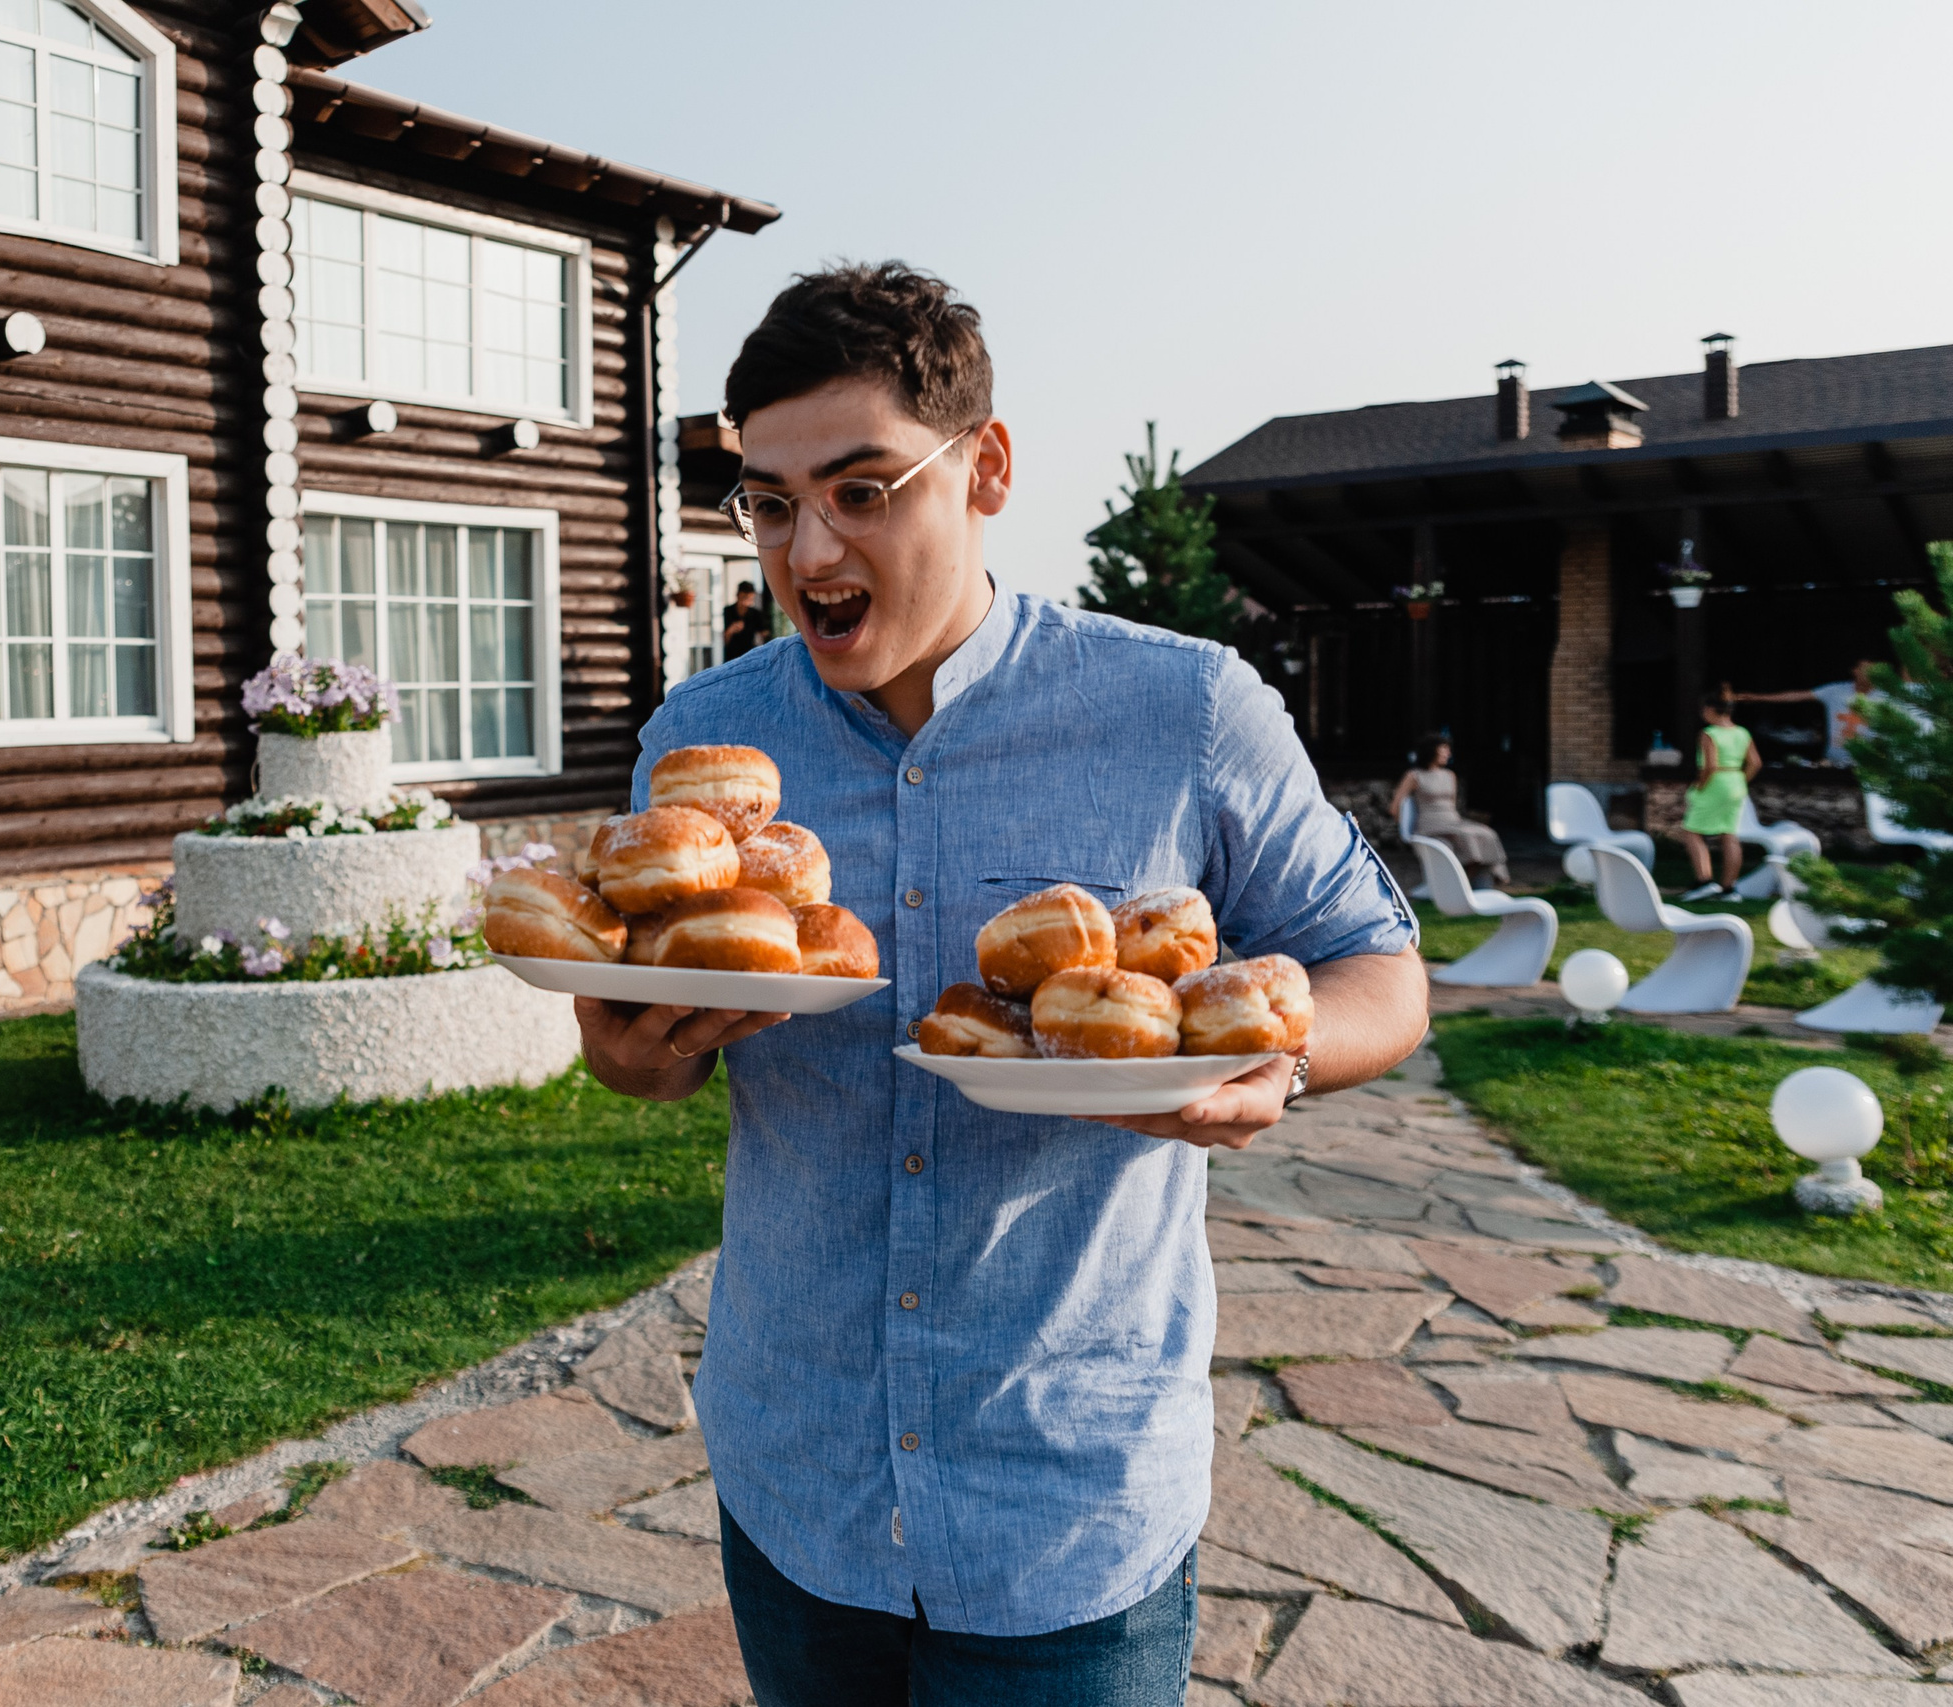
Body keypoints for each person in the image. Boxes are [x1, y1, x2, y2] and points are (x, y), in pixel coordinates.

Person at [572, 263, 1430, 1704]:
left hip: (1067, 1488)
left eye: (860, 488)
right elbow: (641, 1033)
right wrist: (633, 1054)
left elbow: (1383, 970)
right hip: (801, 1472)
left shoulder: (1185, 708)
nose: (808, 547)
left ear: (988, 468)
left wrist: (1274, 1065)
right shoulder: (706, 745)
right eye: (770, 503)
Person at [1676, 694, 1763, 900]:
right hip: (1736, 781)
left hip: (1716, 783)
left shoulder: (1709, 734)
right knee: (1729, 834)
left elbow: (1710, 766)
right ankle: (1728, 889)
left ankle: (1704, 881)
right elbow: (1755, 763)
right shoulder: (1742, 732)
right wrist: (1741, 779)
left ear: (1710, 710)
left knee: (1691, 831)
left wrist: (1699, 785)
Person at [1390, 738, 1509, 887]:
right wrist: (1404, 831)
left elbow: (1451, 805)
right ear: (1431, 751)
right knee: (1468, 836)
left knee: (1487, 834)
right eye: (1444, 749)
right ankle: (1461, 883)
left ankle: (1467, 881)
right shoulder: (1414, 775)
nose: (1448, 753)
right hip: (1430, 823)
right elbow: (1395, 806)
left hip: (1453, 821)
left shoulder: (1450, 775)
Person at [1731, 663, 1877, 766]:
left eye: (1872, 670)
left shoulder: (1886, 696)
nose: (1867, 673)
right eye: (1864, 669)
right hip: (1834, 761)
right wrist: (1757, 698)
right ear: (1854, 670)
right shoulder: (1835, 691)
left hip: (1871, 765)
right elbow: (1796, 696)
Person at [722, 579, 772, 658]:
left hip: (749, 655)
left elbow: (764, 633)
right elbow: (722, 641)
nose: (746, 602)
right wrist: (731, 630)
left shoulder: (755, 613)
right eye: (744, 598)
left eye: (750, 599)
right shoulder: (728, 611)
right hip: (731, 656)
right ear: (738, 595)